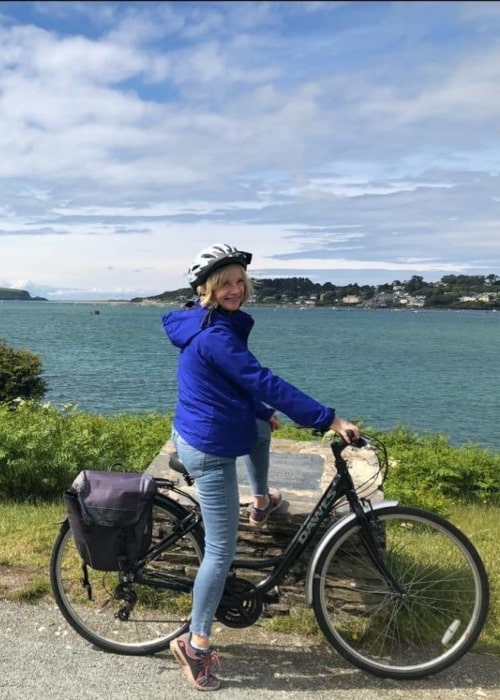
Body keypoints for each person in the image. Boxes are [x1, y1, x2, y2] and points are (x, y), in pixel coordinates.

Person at [162, 243, 360, 691]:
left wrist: (258, 407)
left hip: (209, 423)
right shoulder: (215, 334)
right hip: (209, 447)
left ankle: (260, 499)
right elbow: (260, 377)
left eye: (239, 282)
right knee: (221, 550)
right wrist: (328, 418)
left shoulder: (207, 323)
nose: (235, 290)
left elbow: (232, 381)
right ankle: (195, 646)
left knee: (261, 428)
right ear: (205, 290)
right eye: (224, 284)